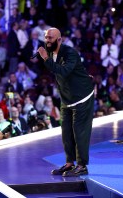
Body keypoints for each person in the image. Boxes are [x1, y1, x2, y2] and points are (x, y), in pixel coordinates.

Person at [37, 28, 94, 177]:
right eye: (46, 38)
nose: (47, 41)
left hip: (82, 96)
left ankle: (82, 165)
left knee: (79, 132)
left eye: (50, 38)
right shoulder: (50, 53)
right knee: (66, 132)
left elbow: (62, 71)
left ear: (59, 39)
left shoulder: (70, 53)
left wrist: (45, 59)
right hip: (67, 98)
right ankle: (70, 163)